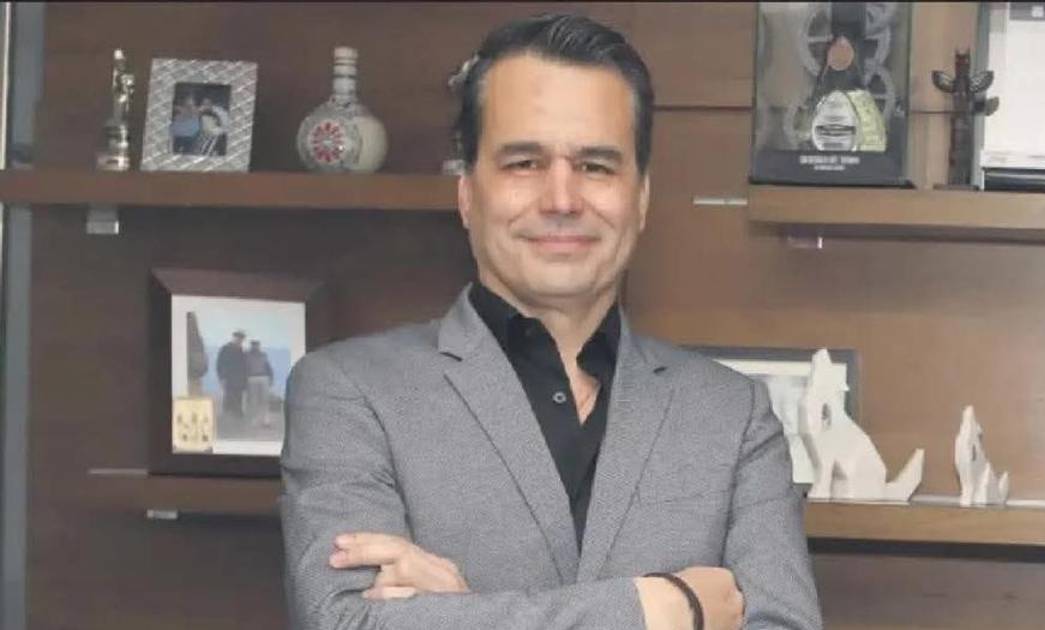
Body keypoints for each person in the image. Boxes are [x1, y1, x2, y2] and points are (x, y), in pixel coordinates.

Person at [281, 13, 821, 630]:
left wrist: (459, 613)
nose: (562, 200)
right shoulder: (348, 393)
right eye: (524, 163)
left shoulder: (733, 416)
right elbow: (344, 623)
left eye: (596, 166)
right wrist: (659, 607)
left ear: (641, 199)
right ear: (467, 193)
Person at [215, 330, 247, 419]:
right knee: (228, 397)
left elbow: (244, 367)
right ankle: (227, 416)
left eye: (241, 339)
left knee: (238, 398)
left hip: (239, 380)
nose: (239, 340)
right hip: (228, 378)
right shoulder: (226, 349)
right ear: (234, 338)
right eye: (238, 338)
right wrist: (222, 377)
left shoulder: (241, 351)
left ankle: (237, 417)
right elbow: (220, 364)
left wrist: (245, 380)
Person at [244, 340, 274, 426]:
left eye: (256, 345)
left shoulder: (263, 355)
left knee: (264, 399)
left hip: (263, 377)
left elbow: (268, 367)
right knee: (254, 400)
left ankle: (266, 419)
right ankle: (255, 419)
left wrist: (271, 378)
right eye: (254, 345)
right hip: (252, 378)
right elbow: (245, 368)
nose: (255, 347)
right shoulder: (247, 355)